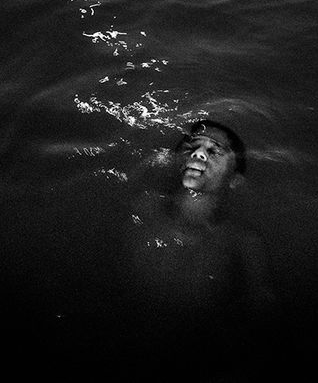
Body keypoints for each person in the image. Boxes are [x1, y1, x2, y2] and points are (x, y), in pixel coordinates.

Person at [118, 120, 279, 380]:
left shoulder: (243, 241)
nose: (198, 153)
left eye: (214, 151)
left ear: (235, 180)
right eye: (193, 147)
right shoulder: (144, 205)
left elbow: (262, 315)